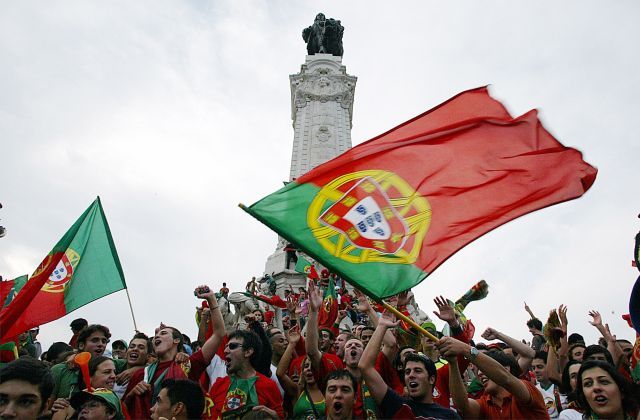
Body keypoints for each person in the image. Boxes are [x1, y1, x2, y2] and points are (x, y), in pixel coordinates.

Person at [124, 285, 225, 418]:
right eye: (155, 336)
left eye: (163, 333)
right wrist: (132, 394)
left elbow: (218, 334)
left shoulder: (188, 365)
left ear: (176, 341)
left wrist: (212, 299)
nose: (157, 337)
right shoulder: (141, 374)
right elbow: (121, 410)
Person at [359, 314, 460, 419]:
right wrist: (381, 326)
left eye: (418, 371)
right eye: (407, 372)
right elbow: (365, 366)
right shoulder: (396, 405)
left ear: (431, 379)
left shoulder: (450, 416)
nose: (411, 375)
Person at [438, 337, 549, 418]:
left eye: (486, 370)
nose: (480, 373)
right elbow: (463, 407)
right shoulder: (486, 403)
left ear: (506, 369)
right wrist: (453, 362)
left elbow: (506, 379)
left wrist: (465, 349)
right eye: (479, 370)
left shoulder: (527, 389)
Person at [209, 329, 284, 419]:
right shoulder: (218, 385)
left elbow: (280, 416)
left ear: (248, 352)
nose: (225, 350)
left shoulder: (268, 385)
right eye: (226, 346)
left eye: (232, 346)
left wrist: (272, 415)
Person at [50, 324, 113, 400]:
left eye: (104, 341)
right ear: (81, 345)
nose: (100, 344)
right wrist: (54, 406)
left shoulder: (111, 367)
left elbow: (129, 363)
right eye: (95, 340)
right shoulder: (60, 370)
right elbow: (46, 405)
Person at [532, 351, 564, 418]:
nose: (536, 371)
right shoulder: (533, 390)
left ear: (549, 367)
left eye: (540, 367)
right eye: (533, 368)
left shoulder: (561, 386)